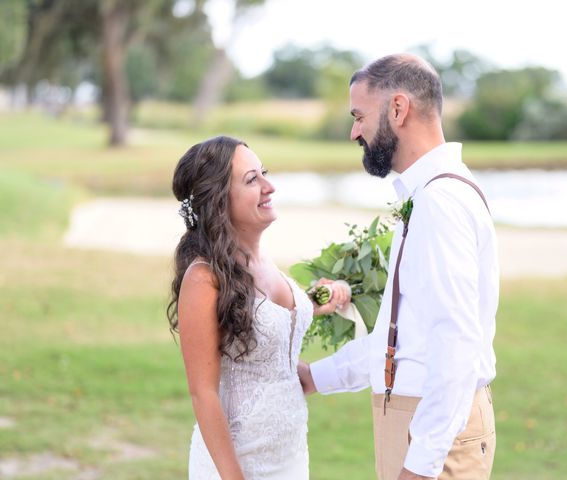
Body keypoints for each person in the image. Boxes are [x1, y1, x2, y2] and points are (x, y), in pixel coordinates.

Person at [298, 53, 499, 480]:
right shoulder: (427, 196)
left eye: (358, 116)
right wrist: (315, 377)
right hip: (416, 421)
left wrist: (422, 466)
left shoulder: (441, 202)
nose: (355, 131)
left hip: (434, 434)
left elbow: (456, 342)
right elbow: (407, 337)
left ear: (398, 108)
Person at [167, 135, 350, 480]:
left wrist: (319, 300)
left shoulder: (262, 259)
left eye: (263, 173)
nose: (270, 186)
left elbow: (263, 318)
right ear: (220, 200)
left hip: (291, 456)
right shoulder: (203, 279)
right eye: (252, 179)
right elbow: (203, 392)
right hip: (238, 462)